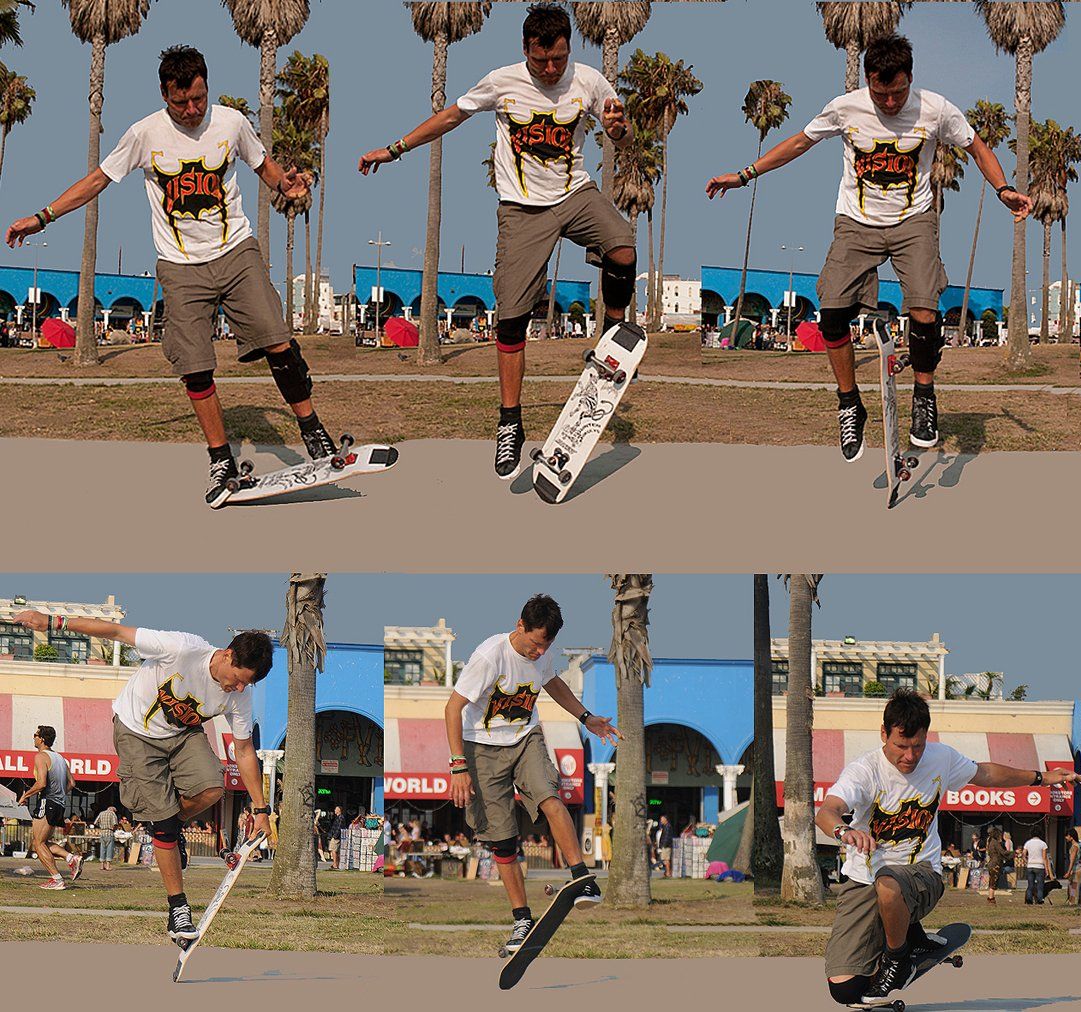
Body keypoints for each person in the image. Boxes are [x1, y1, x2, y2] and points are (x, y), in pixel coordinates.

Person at [4, 46, 336, 508]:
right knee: (194, 364)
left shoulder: (232, 123)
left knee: (277, 339)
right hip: (179, 267)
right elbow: (96, 181)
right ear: (164, 94)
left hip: (236, 250)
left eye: (199, 98)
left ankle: (313, 431)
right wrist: (41, 217)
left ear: (206, 86)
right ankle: (220, 458)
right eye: (181, 103)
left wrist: (286, 184)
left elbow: (265, 167)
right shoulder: (145, 133)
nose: (192, 110)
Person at [708, 34, 1030, 463]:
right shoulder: (846, 108)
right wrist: (744, 174)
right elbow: (800, 142)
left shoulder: (935, 109)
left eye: (898, 93)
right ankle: (849, 404)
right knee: (833, 311)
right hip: (855, 224)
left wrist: (1004, 188)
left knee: (924, 309)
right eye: (881, 94)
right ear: (868, 81)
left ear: (910, 80)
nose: (891, 103)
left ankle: (924, 397)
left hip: (913, 221)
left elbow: (976, 146)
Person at [358, 3, 641, 480]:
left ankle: (612, 334)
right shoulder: (502, 81)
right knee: (511, 318)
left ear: (569, 49)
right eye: (540, 61)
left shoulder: (589, 81)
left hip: (575, 194)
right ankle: (510, 421)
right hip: (521, 212)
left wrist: (620, 129)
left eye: (558, 60)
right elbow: (450, 117)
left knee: (623, 247)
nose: (551, 70)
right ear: (525, 51)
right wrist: (395, 149)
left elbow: (621, 130)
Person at [9, 608, 273, 945]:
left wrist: (263, 811)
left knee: (212, 787)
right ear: (227, 654)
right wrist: (51, 623)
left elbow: (245, 750)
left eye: (245, 684)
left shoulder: (241, 696)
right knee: (162, 821)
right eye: (237, 678)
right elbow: (113, 631)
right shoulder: (179, 648)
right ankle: (178, 909)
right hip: (135, 731)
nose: (237, 688)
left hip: (183, 735)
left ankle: (170, 828)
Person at [814, 688, 1081, 1006]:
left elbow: (984, 773)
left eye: (918, 746)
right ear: (884, 734)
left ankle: (897, 960)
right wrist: (844, 830)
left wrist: (1041, 777)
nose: (910, 756)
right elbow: (826, 811)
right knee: (844, 990)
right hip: (862, 880)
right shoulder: (864, 772)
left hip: (923, 874)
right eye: (901, 746)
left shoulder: (941, 758)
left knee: (888, 882)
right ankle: (911, 939)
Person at [444, 594, 619, 955]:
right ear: (519, 625)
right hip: (481, 749)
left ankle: (581, 877)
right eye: (535, 644)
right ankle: (522, 919)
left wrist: (586, 718)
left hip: (525, 738)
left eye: (546, 646)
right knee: (503, 840)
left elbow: (553, 683)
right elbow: (453, 707)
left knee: (550, 797)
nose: (539, 652)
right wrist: (458, 765)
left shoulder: (543, 655)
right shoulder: (489, 656)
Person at [15, 726, 83, 890]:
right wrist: (59, 794)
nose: (34, 738)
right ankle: (70, 858)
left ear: (42, 739)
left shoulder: (41, 757)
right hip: (58, 803)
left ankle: (57, 879)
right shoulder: (60, 758)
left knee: (38, 844)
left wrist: (25, 796)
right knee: (42, 842)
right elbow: (72, 783)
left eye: (35, 735)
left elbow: (41, 783)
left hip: (48, 802)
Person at [1023, 832, 1049, 905]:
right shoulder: (1043, 844)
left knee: (1030, 885)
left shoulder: (1028, 843)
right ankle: (1040, 900)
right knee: (1040, 885)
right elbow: (1044, 858)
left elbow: (1023, 854)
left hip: (1030, 866)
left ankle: (1029, 900)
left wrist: (1027, 861)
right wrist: (1046, 869)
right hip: (1039, 866)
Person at [984, 825, 1005, 906]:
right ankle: (991, 898)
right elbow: (1002, 852)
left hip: (991, 863)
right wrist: (1013, 853)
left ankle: (990, 897)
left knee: (992, 881)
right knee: (994, 882)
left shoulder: (990, 842)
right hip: (995, 864)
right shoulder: (995, 843)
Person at [95, 805, 119, 871]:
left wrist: (101, 826)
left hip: (102, 833)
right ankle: (108, 866)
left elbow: (95, 822)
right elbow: (115, 824)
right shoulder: (112, 814)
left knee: (102, 849)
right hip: (109, 832)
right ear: (113, 810)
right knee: (109, 849)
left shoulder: (101, 813)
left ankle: (102, 865)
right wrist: (113, 828)